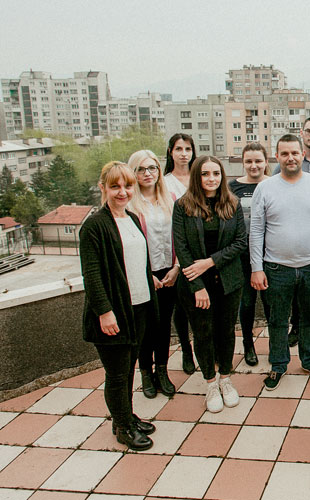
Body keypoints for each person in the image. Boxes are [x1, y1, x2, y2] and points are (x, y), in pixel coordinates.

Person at [80, 161, 158, 450]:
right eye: (115, 186)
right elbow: (93, 275)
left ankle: (125, 415)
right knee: (116, 374)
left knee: (128, 369)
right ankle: (123, 427)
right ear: (103, 188)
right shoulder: (94, 226)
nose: (123, 192)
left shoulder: (133, 219)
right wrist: (104, 312)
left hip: (138, 306)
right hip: (113, 312)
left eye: (127, 186)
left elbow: (134, 260)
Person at [250, 134, 310, 390]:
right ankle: (278, 365)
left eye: (294, 153)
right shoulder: (265, 187)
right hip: (276, 268)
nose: (290, 158)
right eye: (284, 154)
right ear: (277, 157)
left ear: (302, 154)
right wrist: (256, 268)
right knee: (277, 320)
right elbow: (256, 230)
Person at [172, 156, 247, 413]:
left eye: (216, 173)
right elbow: (181, 248)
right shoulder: (182, 206)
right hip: (196, 283)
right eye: (205, 174)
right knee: (203, 332)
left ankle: (226, 378)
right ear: (197, 177)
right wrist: (197, 285)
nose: (211, 178)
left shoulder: (232, 203)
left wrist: (210, 262)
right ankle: (211, 383)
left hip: (228, 281)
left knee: (226, 331)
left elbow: (240, 242)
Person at [127, 150, 179, 399]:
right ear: (133, 173)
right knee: (145, 327)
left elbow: (181, 236)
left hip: (169, 271)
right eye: (141, 169)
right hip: (143, 275)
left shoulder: (169, 199)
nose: (148, 173)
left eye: (152, 168)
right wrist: (146, 275)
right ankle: (146, 373)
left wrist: (177, 268)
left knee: (163, 325)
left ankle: (162, 370)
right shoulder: (129, 204)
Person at [228, 143, 270, 366]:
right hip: (242, 255)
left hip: (270, 254)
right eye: (249, 161)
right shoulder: (232, 187)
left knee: (272, 303)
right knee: (246, 303)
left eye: (258, 161)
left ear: (266, 162)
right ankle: (248, 344)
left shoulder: (274, 184)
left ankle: (276, 344)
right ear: (243, 163)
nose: (254, 166)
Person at [163, 133, 197, 374]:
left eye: (187, 148)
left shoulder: (200, 178)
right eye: (179, 149)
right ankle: (186, 349)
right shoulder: (164, 183)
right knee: (180, 309)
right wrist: (176, 264)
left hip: (201, 253)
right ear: (170, 152)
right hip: (174, 250)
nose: (183, 153)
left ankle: (208, 349)